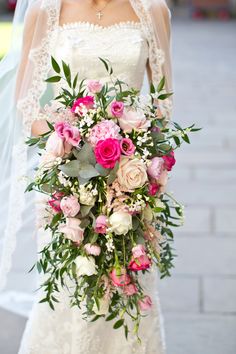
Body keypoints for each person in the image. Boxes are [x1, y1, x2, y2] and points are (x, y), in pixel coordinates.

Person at [0, 0, 172, 353]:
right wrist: (69, 146)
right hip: (65, 181)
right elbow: (27, 101)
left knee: (128, 282)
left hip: (131, 181)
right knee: (65, 289)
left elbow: (163, 101)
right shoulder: (45, 10)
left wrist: (135, 157)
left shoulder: (152, 10)